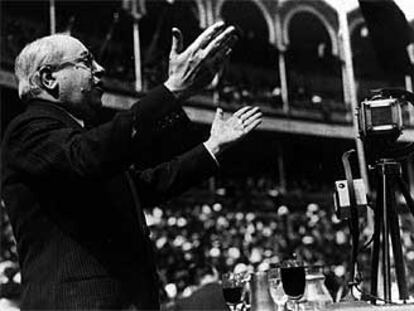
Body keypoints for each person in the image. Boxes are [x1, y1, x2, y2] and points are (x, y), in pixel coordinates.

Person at [1, 21, 262, 310]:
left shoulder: (75, 141)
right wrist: (172, 90)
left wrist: (213, 147)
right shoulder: (27, 131)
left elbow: (143, 186)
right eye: (86, 61)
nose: (100, 69)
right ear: (49, 78)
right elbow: (89, 156)